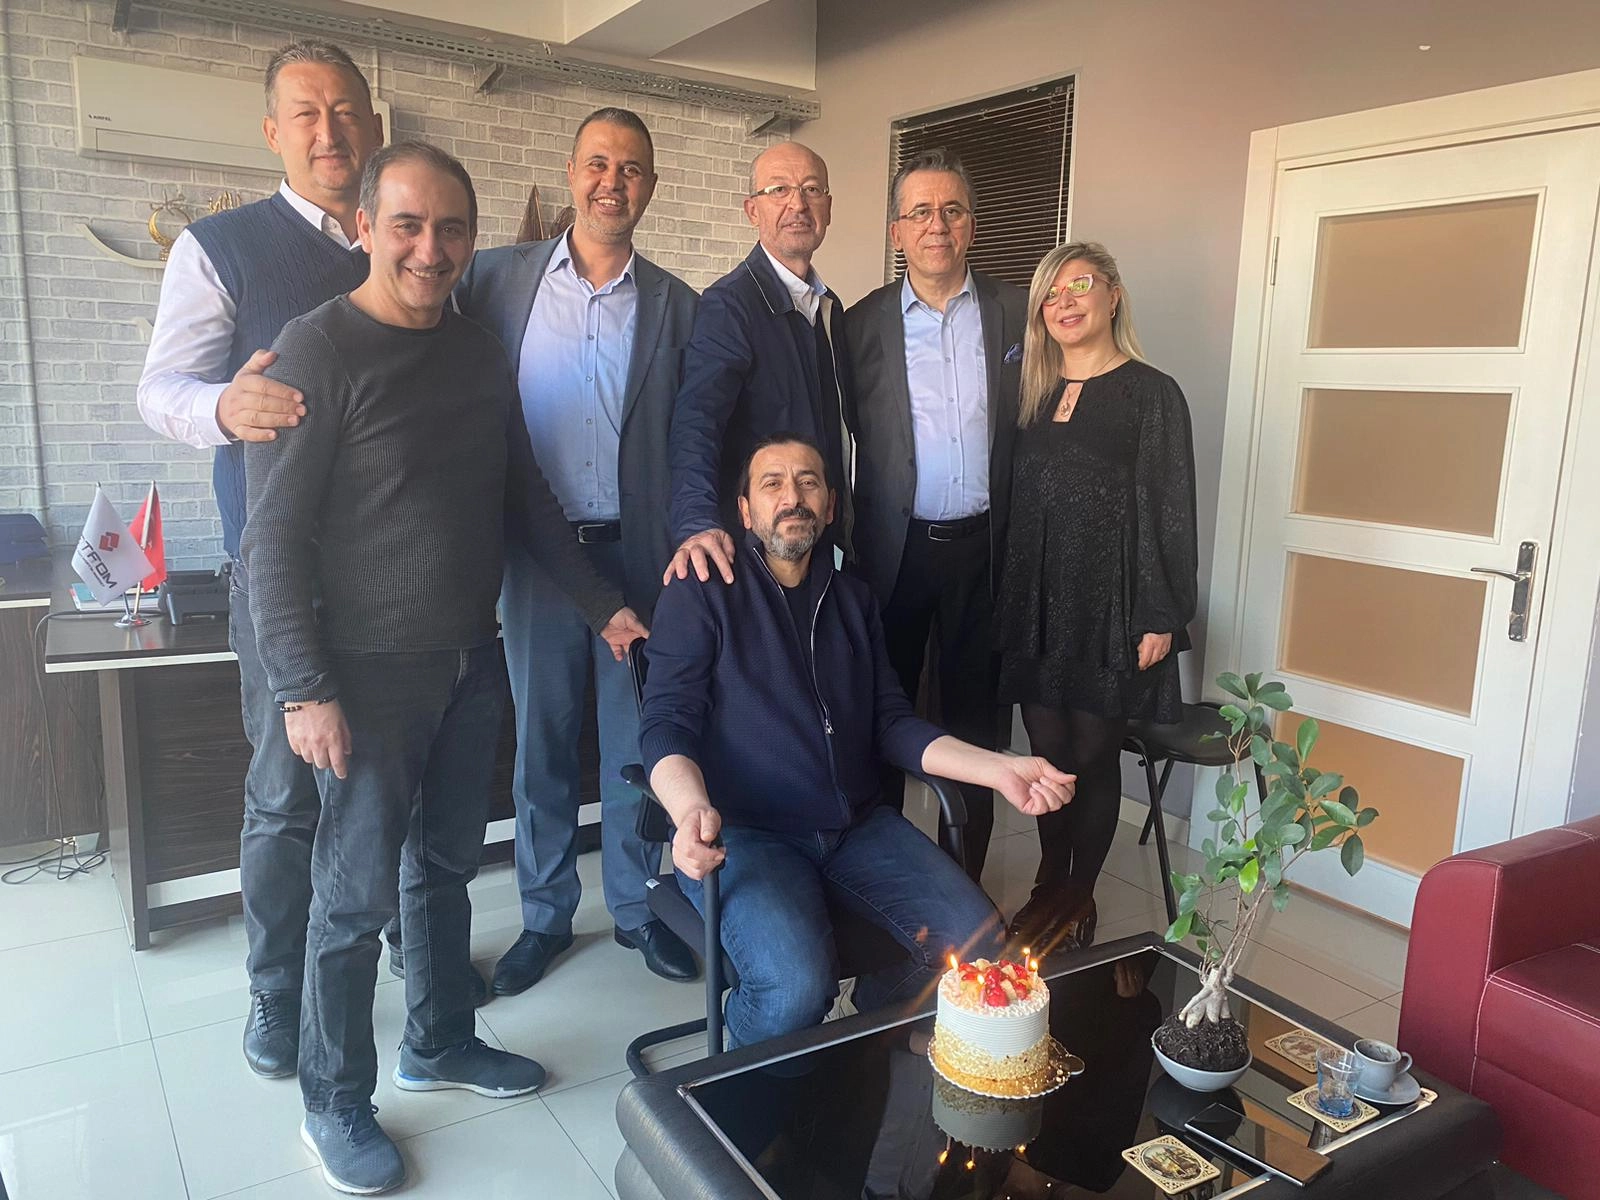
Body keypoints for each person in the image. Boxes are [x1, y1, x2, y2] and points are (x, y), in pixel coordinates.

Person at [242, 142, 647, 1194]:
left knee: (446, 869)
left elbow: (524, 498)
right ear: (366, 228)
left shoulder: (474, 351)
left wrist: (603, 607)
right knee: (351, 900)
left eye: (451, 229)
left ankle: (439, 1040)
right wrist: (303, 687)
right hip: (364, 675)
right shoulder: (318, 349)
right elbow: (271, 540)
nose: (431, 249)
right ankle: (334, 1099)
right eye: (408, 226)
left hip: (471, 657)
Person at [134, 39, 404, 1078]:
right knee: (285, 793)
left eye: (346, 111)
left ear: (372, 124)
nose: (329, 132)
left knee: (387, 780)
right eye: (306, 114)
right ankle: (275, 987)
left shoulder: (403, 235)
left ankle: (386, 947)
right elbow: (161, 389)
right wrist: (221, 406)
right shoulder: (222, 246)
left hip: (396, 579)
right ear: (272, 132)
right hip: (280, 576)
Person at [640, 434, 1075, 1048]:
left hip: (856, 829)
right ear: (745, 511)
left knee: (977, 947)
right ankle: (739, 1083)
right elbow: (666, 723)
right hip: (747, 835)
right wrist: (688, 811)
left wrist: (999, 769)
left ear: (830, 507)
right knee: (793, 989)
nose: (792, 497)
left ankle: (870, 1026)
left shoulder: (852, 598)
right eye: (772, 483)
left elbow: (891, 722)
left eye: (808, 482)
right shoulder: (702, 591)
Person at [453, 107, 700, 995]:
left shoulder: (678, 305)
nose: (612, 182)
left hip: (640, 559)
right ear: (571, 171)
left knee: (639, 745)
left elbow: (693, 439)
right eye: (598, 163)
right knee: (544, 746)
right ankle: (546, 917)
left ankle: (636, 908)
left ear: (651, 187)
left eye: (630, 169)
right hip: (536, 561)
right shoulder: (493, 280)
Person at [993, 242, 1198, 954]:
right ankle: (1050, 883)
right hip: (1036, 603)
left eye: (1080, 285)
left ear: (1113, 295)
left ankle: (1079, 897)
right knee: (1046, 756)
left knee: (1093, 756)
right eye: (1051, 293)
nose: (1066, 302)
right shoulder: (1030, 393)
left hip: (1109, 607)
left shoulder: (1152, 393)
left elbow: (1172, 510)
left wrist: (1162, 614)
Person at [846, 149, 1027, 883]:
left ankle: (963, 884)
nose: (936, 225)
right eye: (919, 211)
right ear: (897, 231)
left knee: (975, 725)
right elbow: (844, 431)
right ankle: (882, 879)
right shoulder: (857, 325)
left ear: (972, 226)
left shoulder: (1017, 313)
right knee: (879, 716)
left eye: (951, 210)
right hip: (895, 553)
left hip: (987, 552)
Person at [664, 142, 854, 585]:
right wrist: (696, 521)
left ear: (828, 208)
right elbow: (697, 420)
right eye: (779, 190)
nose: (798, 204)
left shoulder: (828, 308)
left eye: (811, 189)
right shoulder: (730, 305)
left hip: (814, 542)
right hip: (756, 552)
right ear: (753, 210)